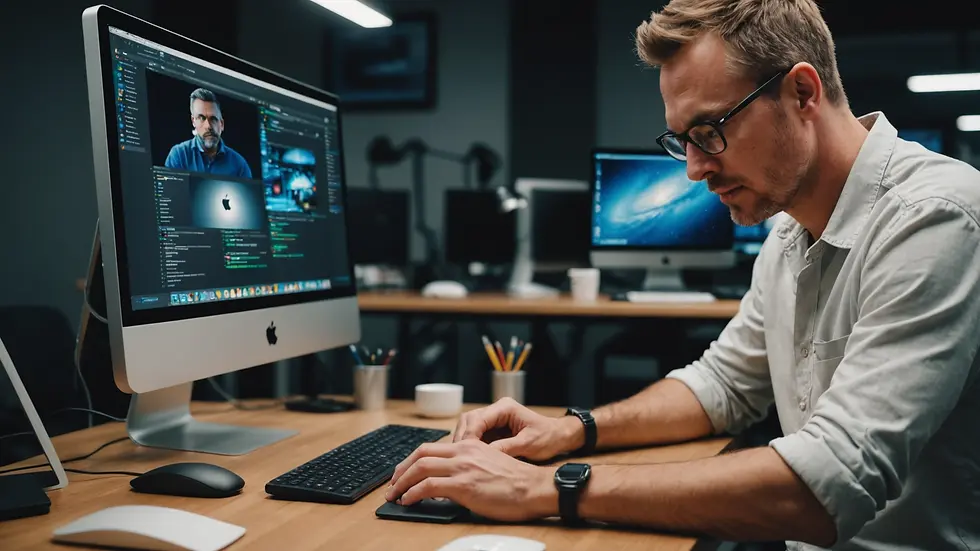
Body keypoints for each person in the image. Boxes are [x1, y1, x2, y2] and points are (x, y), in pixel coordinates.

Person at [385, 1, 980, 549]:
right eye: (683, 140)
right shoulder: (789, 234)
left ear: (802, 92)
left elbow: (828, 481)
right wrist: (568, 432)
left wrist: (544, 487)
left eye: (710, 131)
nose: (694, 170)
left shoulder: (935, 218)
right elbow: (720, 386)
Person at [164, 88, 252, 178]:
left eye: (213, 119)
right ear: (193, 121)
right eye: (201, 118)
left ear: (221, 124)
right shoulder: (179, 155)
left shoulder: (239, 165)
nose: (208, 126)